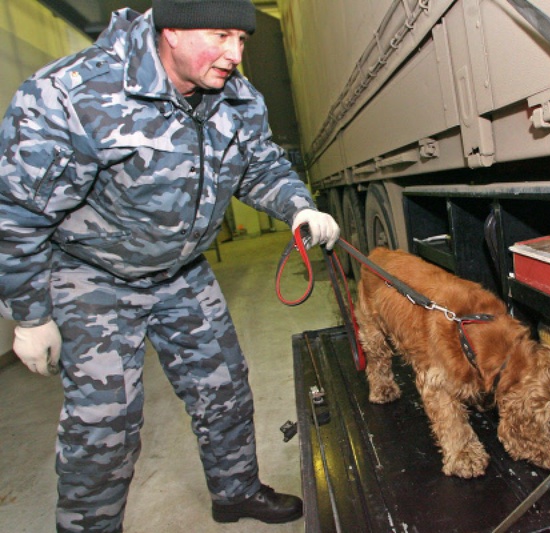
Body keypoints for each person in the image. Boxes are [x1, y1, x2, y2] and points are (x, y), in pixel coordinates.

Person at [0, 0, 339, 530]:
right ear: (172, 30)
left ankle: (236, 493)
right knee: (105, 423)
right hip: (93, 275)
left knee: (223, 386)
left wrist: (298, 205)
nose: (235, 54)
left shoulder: (237, 97)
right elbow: (16, 212)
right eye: (221, 34)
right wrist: (29, 315)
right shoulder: (72, 94)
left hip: (180, 272)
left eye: (243, 39)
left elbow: (260, 166)